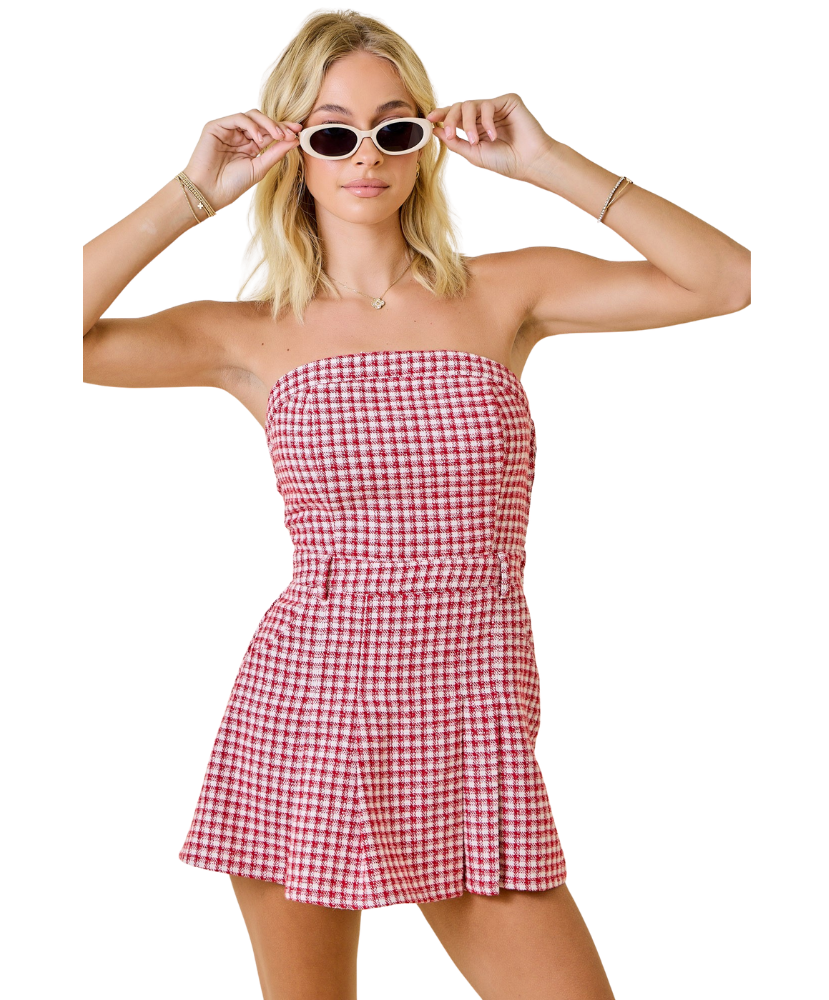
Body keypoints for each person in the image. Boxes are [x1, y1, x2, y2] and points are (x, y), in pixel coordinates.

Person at [83, 9, 749, 1000]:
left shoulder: (507, 289)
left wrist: (549, 162)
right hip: (310, 706)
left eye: (393, 128)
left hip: (472, 711)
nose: (366, 156)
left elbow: (729, 281)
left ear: (426, 140)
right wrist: (189, 193)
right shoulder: (246, 332)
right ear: (290, 149)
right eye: (331, 132)